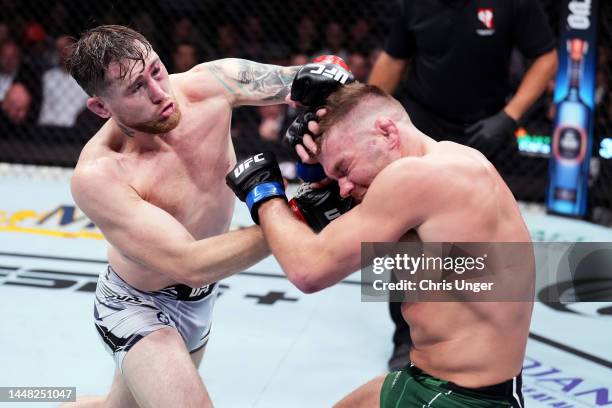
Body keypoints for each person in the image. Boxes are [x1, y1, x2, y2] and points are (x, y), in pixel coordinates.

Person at [226, 82, 533, 407]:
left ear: (387, 132)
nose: (342, 188)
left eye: (344, 168)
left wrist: (264, 194)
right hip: (444, 380)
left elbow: (309, 269)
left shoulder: (412, 177)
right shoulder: (457, 158)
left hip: (460, 399)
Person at [64, 24, 303, 408]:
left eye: (156, 71)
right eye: (137, 88)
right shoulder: (100, 174)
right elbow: (190, 263)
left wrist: (328, 83)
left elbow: (300, 81)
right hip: (138, 306)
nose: (161, 93)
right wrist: (294, 215)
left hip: (199, 301)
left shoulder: (212, 84)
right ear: (101, 108)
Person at [368, 0, 557, 369]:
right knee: (408, 234)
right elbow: (393, 60)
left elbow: (546, 57)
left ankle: (472, 332)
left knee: (474, 238)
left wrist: (509, 116)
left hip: (481, 129)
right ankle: (406, 338)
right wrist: (360, 116)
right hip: (422, 124)